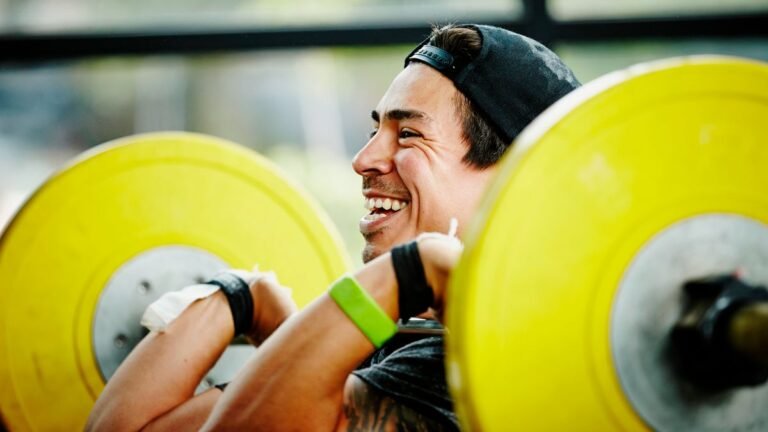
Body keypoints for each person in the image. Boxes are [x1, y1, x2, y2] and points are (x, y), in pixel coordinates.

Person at [86, 23, 579, 431]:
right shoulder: (410, 340)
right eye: (374, 131)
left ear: (513, 179)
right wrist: (248, 301)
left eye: (408, 133)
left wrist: (409, 271)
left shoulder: (461, 367)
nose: (364, 160)